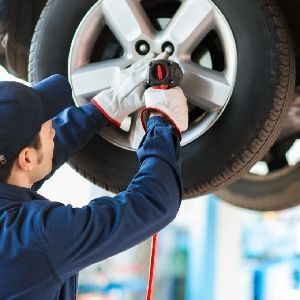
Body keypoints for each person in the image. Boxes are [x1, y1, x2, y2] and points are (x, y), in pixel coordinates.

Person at [0, 54, 188, 299]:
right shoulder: (34, 239)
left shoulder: (17, 225)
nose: (55, 132)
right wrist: (162, 124)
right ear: (26, 159)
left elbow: (37, 158)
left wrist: (105, 107)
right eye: (49, 130)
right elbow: (153, 203)